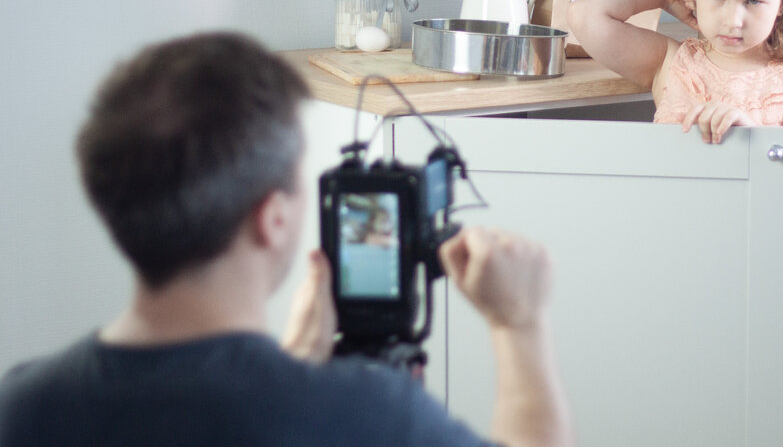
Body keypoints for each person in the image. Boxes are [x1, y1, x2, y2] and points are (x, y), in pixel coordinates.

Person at [0, 32, 572, 447]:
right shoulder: (364, 414)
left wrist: (298, 365)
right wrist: (518, 325)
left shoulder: (22, 405)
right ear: (272, 218)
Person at [567, 0, 783, 447]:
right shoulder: (670, 63)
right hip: (675, 281)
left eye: (753, 1)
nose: (732, 19)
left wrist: (754, 140)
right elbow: (585, 17)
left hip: (762, 284)